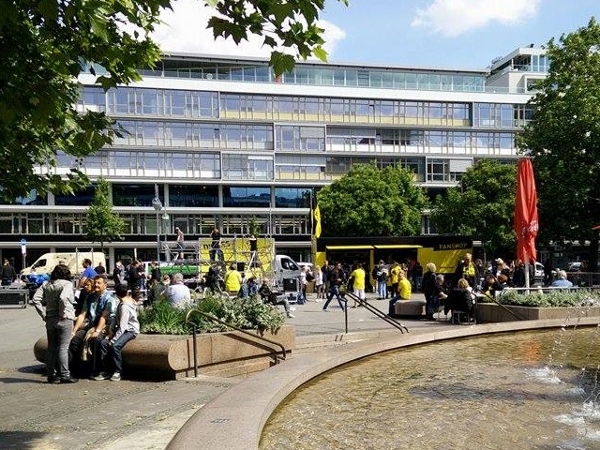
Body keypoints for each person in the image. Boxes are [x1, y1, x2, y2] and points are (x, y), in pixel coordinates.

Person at [31, 264, 78, 384]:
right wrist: (62, 312)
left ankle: (51, 375)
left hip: (50, 319)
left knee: (51, 348)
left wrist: (43, 314)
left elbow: (36, 299)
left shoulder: (46, 284)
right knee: (63, 347)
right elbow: (63, 298)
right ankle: (65, 375)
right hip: (64, 319)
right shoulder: (67, 284)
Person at [71, 275, 118, 377]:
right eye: (95, 283)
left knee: (97, 340)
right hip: (91, 325)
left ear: (105, 285)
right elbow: (82, 314)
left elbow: (104, 317)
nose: (96, 285)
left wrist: (97, 331)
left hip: (105, 326)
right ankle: (75, 368)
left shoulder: (109, 298)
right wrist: (74, 331)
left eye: (99, 283)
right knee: (75, 340)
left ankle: (98, 370)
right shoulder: (90, 297)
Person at [93, 285, 139, 382]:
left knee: (115, 346)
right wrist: (110, 330)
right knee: (103, 343)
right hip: (121, 329)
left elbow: (123, 327)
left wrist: (113, 340)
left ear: (117, 295)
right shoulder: (121, 304)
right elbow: (115, 319)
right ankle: (105, 371)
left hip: (130, 330)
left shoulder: (125, 306)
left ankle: (118, 371)